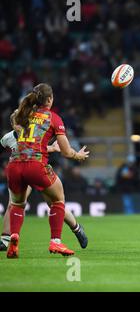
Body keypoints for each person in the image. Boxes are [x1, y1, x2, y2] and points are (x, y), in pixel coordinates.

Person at [5, 83, 89, 258]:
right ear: (49, 99)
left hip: (14, 165)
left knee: (17, 204)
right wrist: (77, 155)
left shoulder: (24, 115)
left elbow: (18, 126)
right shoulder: (53, 118)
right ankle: (56, 242)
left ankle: (14, 238)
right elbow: (66, 152)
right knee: (58, 199)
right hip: (35, 166)